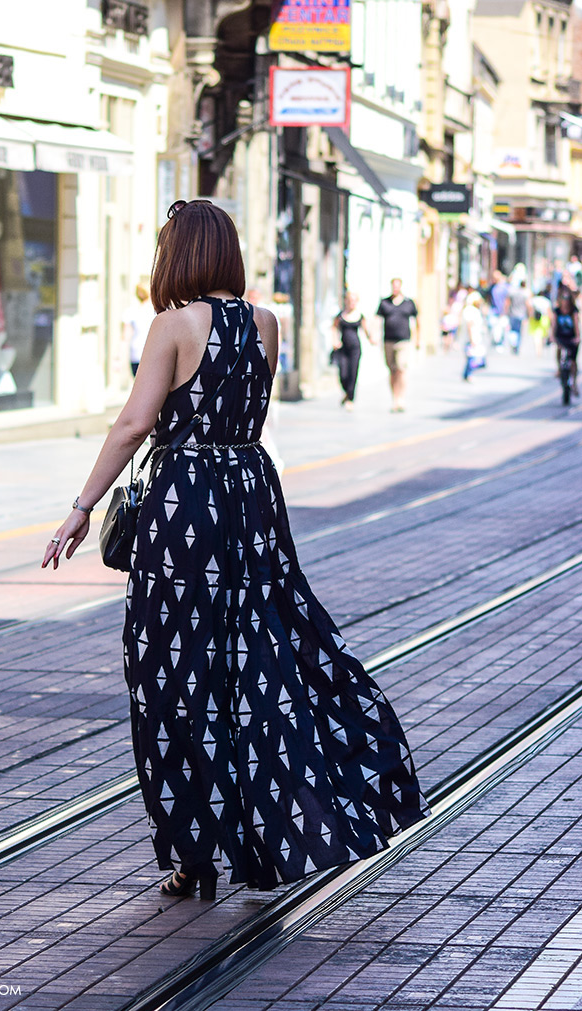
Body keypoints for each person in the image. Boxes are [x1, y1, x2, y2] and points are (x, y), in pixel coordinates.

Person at [42, 199, 429, 899]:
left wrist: (81, 506)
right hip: (251, 497)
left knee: (174, 677)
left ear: (179, 254)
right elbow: (249, 410)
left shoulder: (174, 324)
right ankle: (280, 826)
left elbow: (134, 423)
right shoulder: (266, 324)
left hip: (187, 503)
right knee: (263, 659)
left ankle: (193, 853)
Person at [376, 278, 418, 412]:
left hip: (404, 340)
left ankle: (401, 399)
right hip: (388, 340)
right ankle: (394, 397)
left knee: (401, 368)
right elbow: (377, 319)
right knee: (392, 370)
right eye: (393, 286)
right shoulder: (385, 303)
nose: (395, 288)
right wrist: (374, 335)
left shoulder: (408, 303)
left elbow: (417, 320)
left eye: (397, 286)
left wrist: (417, 339)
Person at [332, 291, 371, 410]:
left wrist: (372, 338)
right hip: (343, 348)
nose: (352, 303)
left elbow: (366, 329)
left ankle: (350, 399)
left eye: (354, 300)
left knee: (353, 373)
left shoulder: (360, 316)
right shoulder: (340, 315)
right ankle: (346, 392)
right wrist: (335, 341)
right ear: (346, 301)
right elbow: (334, 327)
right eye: (350, 300)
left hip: (355, 348)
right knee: (343, 373)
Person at [123, 283, 155, 377]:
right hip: (152, 354)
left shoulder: (131, 312)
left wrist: (119, 358)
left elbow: (125, 337)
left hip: (136, 354)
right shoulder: (157, 311)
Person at [553, 287, 580, 396]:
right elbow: (554, 325)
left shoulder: (573, 310)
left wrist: (578, 337)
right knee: (559, 349)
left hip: (571, 337)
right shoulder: (557, 311)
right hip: (561, 337)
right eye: (563, 298)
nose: (565, 300)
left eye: (567, 298)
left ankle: (574, 382)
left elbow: (576, 324)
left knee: (573, 361)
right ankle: (559, 369)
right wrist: (552, 336)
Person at [461, 293, 487, 382]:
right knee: (472, 356)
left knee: (472, 355)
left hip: (475, 336)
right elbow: (469, 325)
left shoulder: (475, 310)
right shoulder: (470, 310)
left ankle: (467, 374)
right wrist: (471, 338)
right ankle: (468, 374)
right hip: (472, 337)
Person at [487, 270, 510, 350]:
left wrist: (504, 310)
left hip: (501, 311)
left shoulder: (504, 287)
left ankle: (500, 343)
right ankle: (496, 341)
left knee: (501, 327)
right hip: (493, 310)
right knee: (492, 326)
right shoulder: (492, 286)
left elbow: (507, 300)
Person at [507, 278, 530, 354]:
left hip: (513, 314)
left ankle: (513, 343)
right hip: (521, 315)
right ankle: (516, 345)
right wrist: (528, 315)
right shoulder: (524, 294)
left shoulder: (513, 293)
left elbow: (508, 303)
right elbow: (527, 305)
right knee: (519, 331)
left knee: (513, 330)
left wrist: (507, 312)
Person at [528, 287, 553, 357]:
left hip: (534, 319)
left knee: (536, 336)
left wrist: (529, 317)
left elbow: (530, 309)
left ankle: (538, 349)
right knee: (542, 335)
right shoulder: (546, 301)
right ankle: (540, 348)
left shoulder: (533, 300)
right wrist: (551, 321)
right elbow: (549, 312)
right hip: (544, 319)